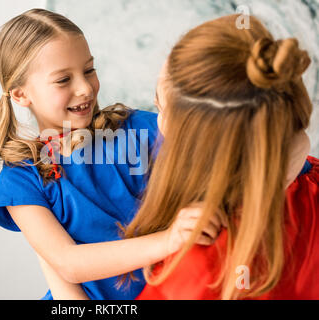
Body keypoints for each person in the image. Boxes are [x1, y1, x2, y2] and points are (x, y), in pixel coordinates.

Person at [0, 9, 224, 300]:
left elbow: (212, 161)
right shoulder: (20, 177)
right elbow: (69, 264)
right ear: (21, 95)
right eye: (63, 80)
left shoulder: (138, 128)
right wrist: (170, 240)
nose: (85, 88)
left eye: (89, 70)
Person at [122, 14, 318, 300]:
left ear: (202, 146)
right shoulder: (309, 180)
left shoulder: (200, 266)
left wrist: (56, 266)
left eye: (161, 108)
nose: (155, 119)